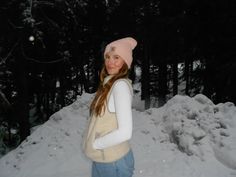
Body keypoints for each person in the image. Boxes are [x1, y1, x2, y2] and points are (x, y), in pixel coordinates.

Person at [83, 37, 137, 177]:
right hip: (105, 158)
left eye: (116, 57)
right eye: (107, 57)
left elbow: (125, 132)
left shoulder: (119, 86)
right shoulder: (110, 85)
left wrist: (96, 144)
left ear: (125, 62)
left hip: (113, 161)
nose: (110, 62)